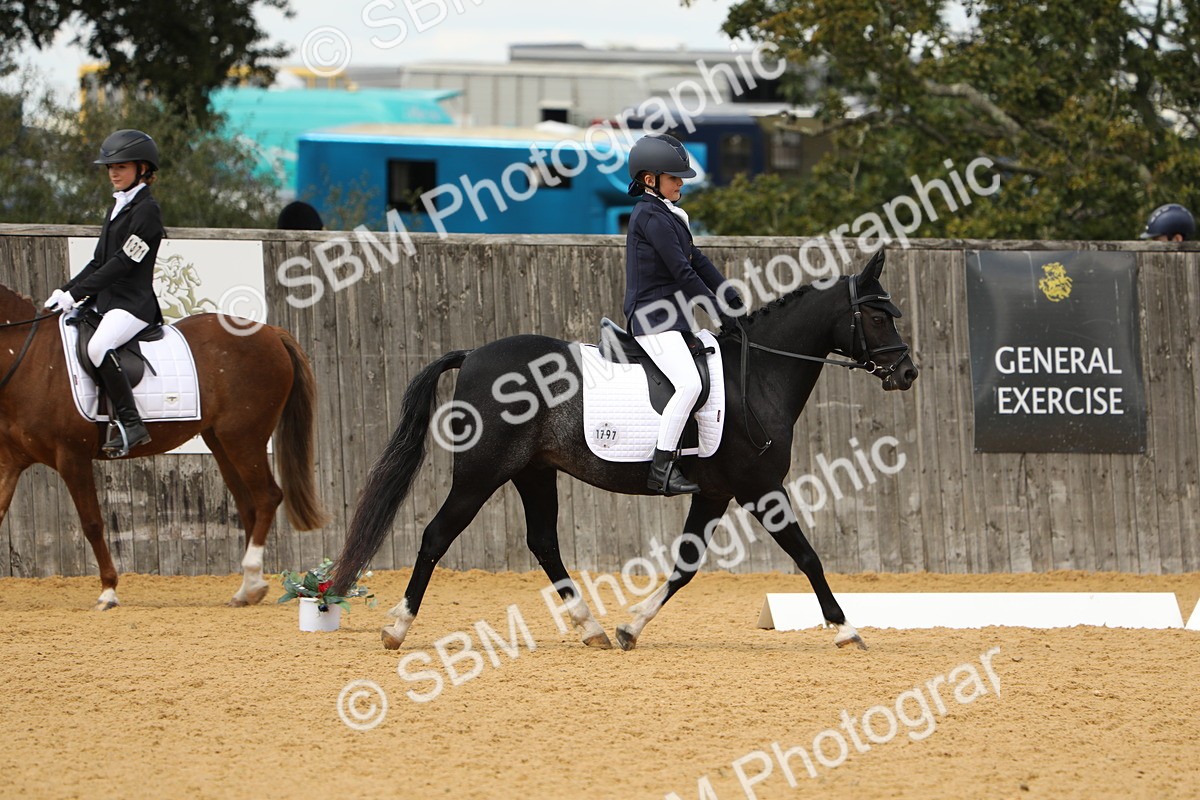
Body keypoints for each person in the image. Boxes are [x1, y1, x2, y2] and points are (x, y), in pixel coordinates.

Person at [623, 133, 744, 496]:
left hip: (673, 319)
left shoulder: (669, 215)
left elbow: (698, 259)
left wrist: (729, 294)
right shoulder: (650, 216)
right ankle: (660, 469)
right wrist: (717, 310)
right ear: (650, 180)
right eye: (674, 177)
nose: (680, 183)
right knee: (690, 384)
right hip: (651, 320)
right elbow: (682, 272)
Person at [44, 129, 165, 457]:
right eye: (110, 167)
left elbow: (124, 262)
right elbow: (99, 261)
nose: (113, 172)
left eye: (121, 166)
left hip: (133, 305)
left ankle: (131, 422)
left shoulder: (147, 211)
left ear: (142, 169)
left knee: (98, 346)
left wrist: (79, 293)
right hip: (107, 302)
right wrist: (66, 291)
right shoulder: (117, 207)